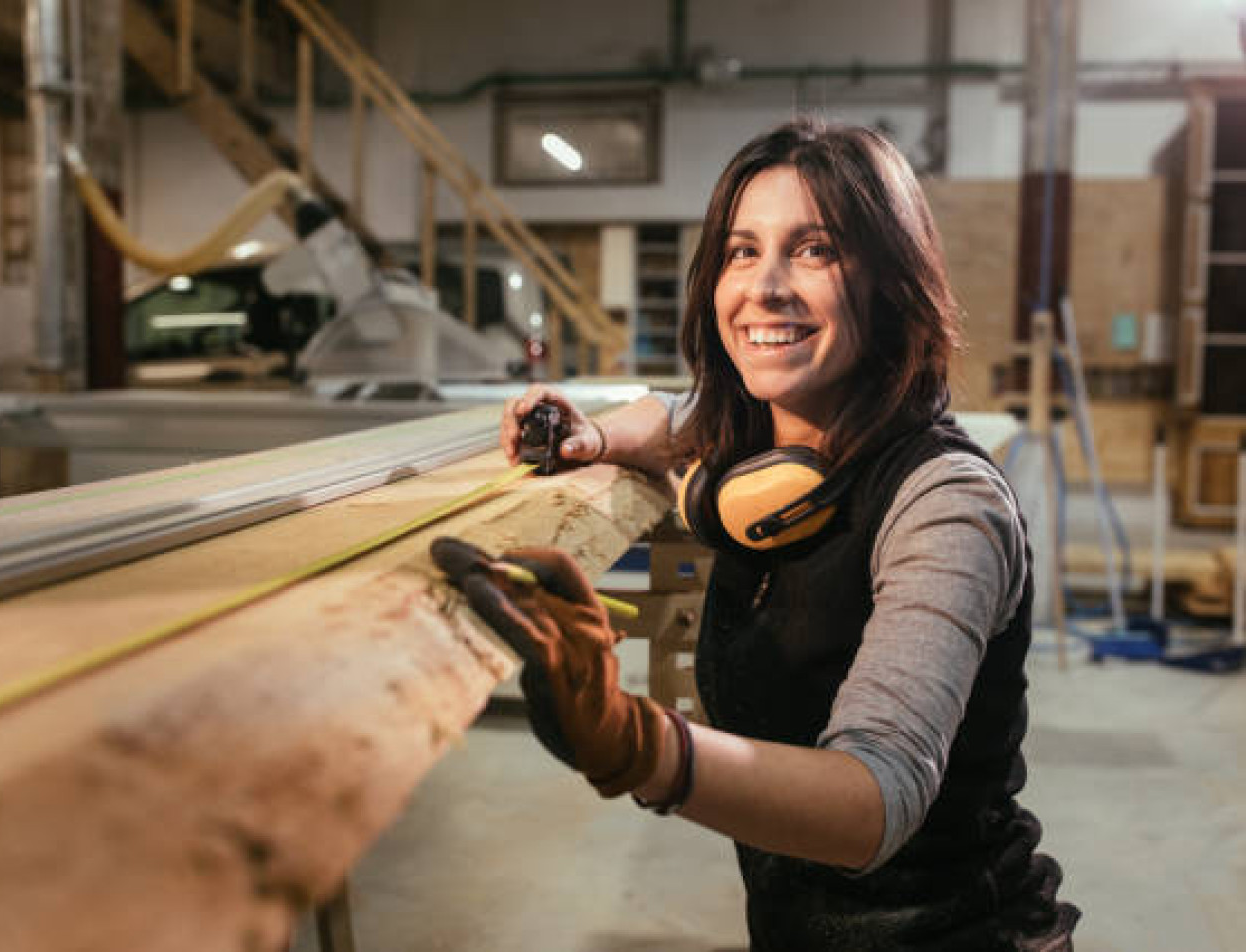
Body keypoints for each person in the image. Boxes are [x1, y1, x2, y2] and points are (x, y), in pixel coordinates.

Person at [436, 119, 1080, 951]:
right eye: (742, 251)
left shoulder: (945, 501)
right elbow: (676, 416)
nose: (765, 286)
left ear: (891, 282)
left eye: (814, 249)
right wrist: (586, 437)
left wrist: (637, 747)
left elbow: (875, 798)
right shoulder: (761, 454)